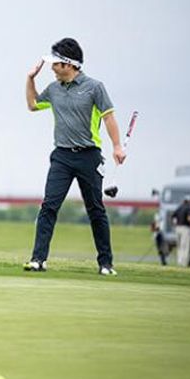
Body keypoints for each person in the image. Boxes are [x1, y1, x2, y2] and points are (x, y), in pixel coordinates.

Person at [23, 38, 125, 276]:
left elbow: (109, 117)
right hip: (61, 156)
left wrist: (117, 146)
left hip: (89, 156)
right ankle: (38, 259)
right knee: (49, 205)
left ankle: (106, 263)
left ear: (68, 64)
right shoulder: (54, 88)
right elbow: (32, 105)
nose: (51, 67)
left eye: (55, 63)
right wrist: (30, 79)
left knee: (95, 210)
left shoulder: (94, 87)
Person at [172, 195, 190, 267]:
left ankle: (179, 261)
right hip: (185, 228)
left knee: (179, 246)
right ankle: (184, 263)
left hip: (177, 228)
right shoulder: (189, 208)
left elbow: (173, 217)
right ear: (189, 201)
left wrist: (175, 224)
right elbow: (189, 219)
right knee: (185, 246)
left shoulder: (179, 207)